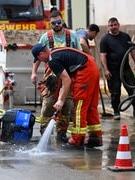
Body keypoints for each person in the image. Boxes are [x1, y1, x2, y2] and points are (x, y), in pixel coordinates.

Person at [31, 43, 103, 147]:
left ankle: (77, 139)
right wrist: (61, 97)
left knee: (79, 107)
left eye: (39, 59)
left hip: (84, 72)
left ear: (41, 54)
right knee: (91, 106)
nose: (41, 61)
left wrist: (60, 100)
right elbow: (64, 81)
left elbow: (66, 80)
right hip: (92, 68)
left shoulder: (52, 61)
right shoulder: (56, 52)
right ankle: (95, 137)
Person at [31, 10, 81, 143]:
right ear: (50, 23)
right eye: (54, 23)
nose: (57, 25)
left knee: (67, 105)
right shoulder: (45, 37)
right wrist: (34, 72)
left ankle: (61, 133)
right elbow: (37, 58)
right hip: (51, 78)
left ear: (62, 21)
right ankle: (44, 132)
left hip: (68, 78)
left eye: (59, 22)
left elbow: (79, 56)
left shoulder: (72, 36)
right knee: (49, 104)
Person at [99, 17, 135, 120]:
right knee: (115, 92)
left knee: (133, 89)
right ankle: (116, 111)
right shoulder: (105, 39)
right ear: (109, 26)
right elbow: (103, 55)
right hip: (112, 71)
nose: (113, 27)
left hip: (126, 68)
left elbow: (132, 50)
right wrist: (106, 70)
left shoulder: (125, 36)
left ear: (118, 25)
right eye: (111, 25)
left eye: (115, 25)